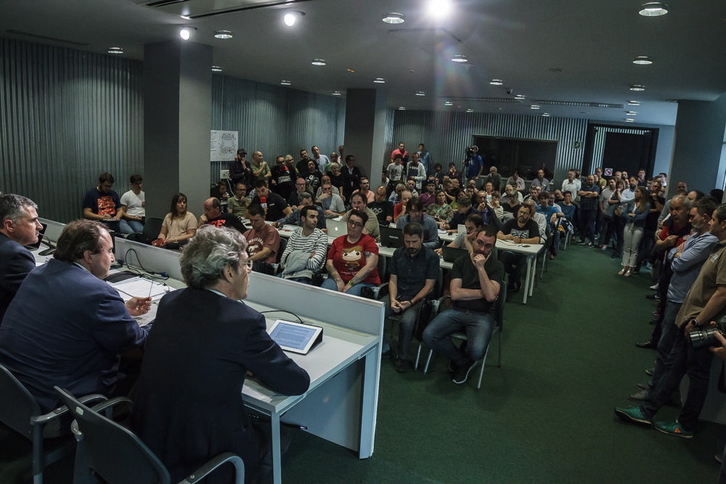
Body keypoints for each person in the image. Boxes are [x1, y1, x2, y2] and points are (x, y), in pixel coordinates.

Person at [131, 225, 309, 484]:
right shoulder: (244, 321)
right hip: (204, 453)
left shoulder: (171, 302)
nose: (249, 271)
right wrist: (253, 368)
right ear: (228, 271)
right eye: (246, 264)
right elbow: (296, 382)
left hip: (151, 438)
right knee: (278, 437)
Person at [0, 219, 151, 412]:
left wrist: (120, 310)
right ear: (88, 256)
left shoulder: (38, 274)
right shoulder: (98, 293)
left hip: (14, 394)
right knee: (145, 365)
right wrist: (161, 321)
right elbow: (133, 342)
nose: (113, 259)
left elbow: (68, 311)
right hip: (55, 406)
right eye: (109, 251)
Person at [615, 203, 726, 439]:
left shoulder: (725, 251)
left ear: (724, 224)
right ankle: (647, 411)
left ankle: (685, 425)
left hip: (702, 323)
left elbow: (722, 293)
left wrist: (697, 322)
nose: (710, 222)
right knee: (675, 366)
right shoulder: (719, 247)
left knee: (697, 374)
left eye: (714, 219)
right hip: (692, 318)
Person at [422, 225, 504, 384]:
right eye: (479, 243)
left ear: (493, 248)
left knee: (477, 351)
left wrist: (481, 269)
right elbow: (455, 294)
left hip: (482, 315)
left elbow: (490, 297)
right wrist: (484, 293)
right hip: (457, 310)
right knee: (429, 335)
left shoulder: (496, 266)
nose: (481, 249)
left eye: (488, 246)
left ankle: (465, 358)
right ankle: (462, 361)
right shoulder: (461, 261)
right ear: (473, 241)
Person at [387, 223, 439, 372]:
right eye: (407, 241)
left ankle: (402, 357)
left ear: (422, 239)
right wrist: (392, 299)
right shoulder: (398, 253)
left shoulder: (431, 257)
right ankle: (383, 347)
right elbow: (393, 280)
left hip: (418, 299)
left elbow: (429, 286)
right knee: (375, 311)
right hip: (398, 294)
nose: (410, 245)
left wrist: (410, 302)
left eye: (414, 241)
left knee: (407, 322)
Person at [0, 194, 42, 323]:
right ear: (9, 226)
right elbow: (40, 297)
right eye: (33, 220)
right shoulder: (15, 254)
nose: (39, 226)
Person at [321, 210, 381, 297]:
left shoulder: (369, 242)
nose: (352, 226)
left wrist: (350, 284)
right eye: (351, 222)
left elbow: (369, 267)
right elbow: (329, 263)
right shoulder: (338, 241)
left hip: (363, 282)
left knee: (348, 297)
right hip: (338, 278)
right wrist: (338, 280)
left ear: (362, 227)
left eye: (357, 224)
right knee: (323, 293)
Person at [497, 205, 540, 292]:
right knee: (503, 257)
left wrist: (521, 240)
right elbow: (498, 234)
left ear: (529, 215)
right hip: (510, 251)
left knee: (523, 262)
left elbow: (536, 240)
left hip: (525, 252)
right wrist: (505, 236)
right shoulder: (511, 222)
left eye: (525, 213)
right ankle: (513, 277)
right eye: (520, 212)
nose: (521, 214)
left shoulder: (533, 224)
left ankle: (513, 279)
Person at [280, 205, 328, 283]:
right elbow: (284, 261)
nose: (315, 220)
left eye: (316, 217)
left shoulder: (321, 236)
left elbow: (314, 264)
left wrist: (293, 256)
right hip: (288, 273)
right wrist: (307, 256)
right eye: (312, 217)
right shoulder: (295, 235)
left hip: (306, 276)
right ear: (303, 219)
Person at [618, 187, 650, 277]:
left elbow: (643, 216)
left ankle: (630, 268)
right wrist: (631, 217)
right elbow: (624, 213)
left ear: (642, 193)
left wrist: (633, 216)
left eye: (637, 192)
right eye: (635, 191)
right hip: (628, 225)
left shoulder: (646, 205)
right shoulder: (631, 202)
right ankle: (624, 266)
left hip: (638, 227)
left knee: (634, 248)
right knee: (626, 247)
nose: (635, 193)